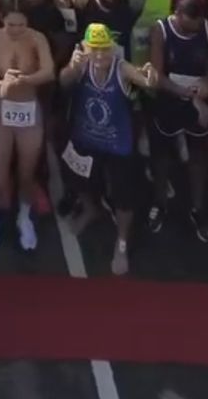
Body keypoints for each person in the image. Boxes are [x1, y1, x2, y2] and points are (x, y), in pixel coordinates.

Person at [59, 23, 155, 276]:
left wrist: (149, 77)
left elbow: (144, 81)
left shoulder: (120, 67)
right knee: (79, 182)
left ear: (112, 48)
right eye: (94, 49)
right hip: (85, 139)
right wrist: (72, 67)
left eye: (104, 49)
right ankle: (91, 209)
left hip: (117, 145)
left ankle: (121, 243)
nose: (100, 55)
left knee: (123, 197)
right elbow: (62, 82)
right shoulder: (81, 65)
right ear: (85, 48)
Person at [0, 0, 54, 253]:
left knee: (26, 173)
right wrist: (1, 85)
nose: (16, 29)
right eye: (11, 24)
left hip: (29, 110)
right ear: (2, 19)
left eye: (21, 25)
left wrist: (23, 79)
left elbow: (49, 72)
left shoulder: (37, 39)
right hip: (2, 110)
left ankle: (24, 215)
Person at [147, 0, 208, 241]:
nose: (194, 31)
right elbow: (157, 76)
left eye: (196, 28)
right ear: (176, 14)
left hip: (197, 96)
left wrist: (206, 83)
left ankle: (197, 209)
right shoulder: (161, 30)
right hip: (171, 96)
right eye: (188, 27)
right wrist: (189, 96)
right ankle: (159, 203)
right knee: (161, 156)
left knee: (198, 156)